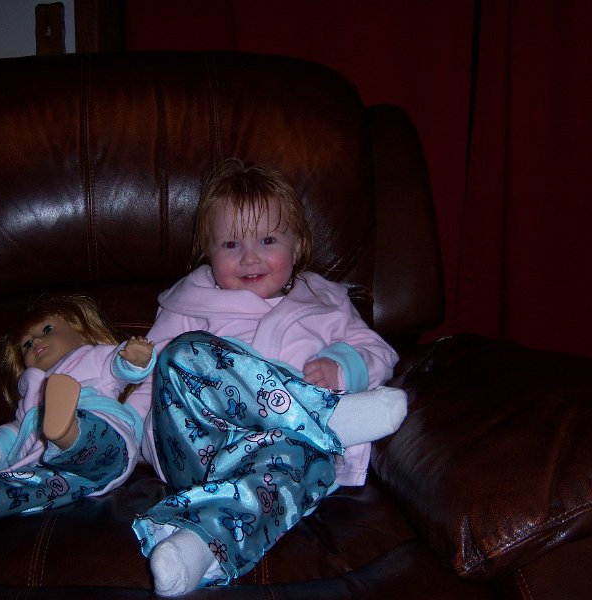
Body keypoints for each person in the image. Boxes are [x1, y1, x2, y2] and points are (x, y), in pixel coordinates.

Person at [125, 159, 408, 596]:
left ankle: (195, 548)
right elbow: (148, 386)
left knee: (294, 471)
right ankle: (321, 416)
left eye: (268, 240)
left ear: (298, 246)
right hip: (197, 449)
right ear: (208, 254)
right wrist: (132, 439)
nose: (250, 257)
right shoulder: (187, 305)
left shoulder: (325, 301)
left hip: (280, 453)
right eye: (230, 244)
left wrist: (342, 366)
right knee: (185, 354)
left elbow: (380, 352)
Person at [0, 294, 155, 526]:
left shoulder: (92, 358)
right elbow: (15, 435)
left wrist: (134, 358)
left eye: (47, 330)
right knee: (21, 492)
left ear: (80, 333)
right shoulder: (31, 398)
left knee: (88, 431)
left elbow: (119, 368)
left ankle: (66, 430)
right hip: (67, 477)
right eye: (26, 344)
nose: (35, 341)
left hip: (108, 446)